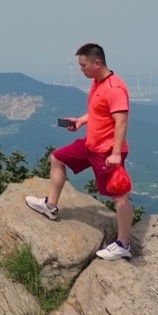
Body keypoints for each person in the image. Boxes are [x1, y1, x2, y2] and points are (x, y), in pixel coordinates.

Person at [25, 43, 136, 261]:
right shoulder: (98, 82)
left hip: (106, 151)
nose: (81, 69)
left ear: (97, 63)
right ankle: (50, 205)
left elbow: (121, 122)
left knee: (119, 196)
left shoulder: (115, 88)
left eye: (83, 65)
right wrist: (80, 121)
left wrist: (115, 153)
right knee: (57, 157)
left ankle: (123, 244)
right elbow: (98, 111)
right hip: (90, 144)